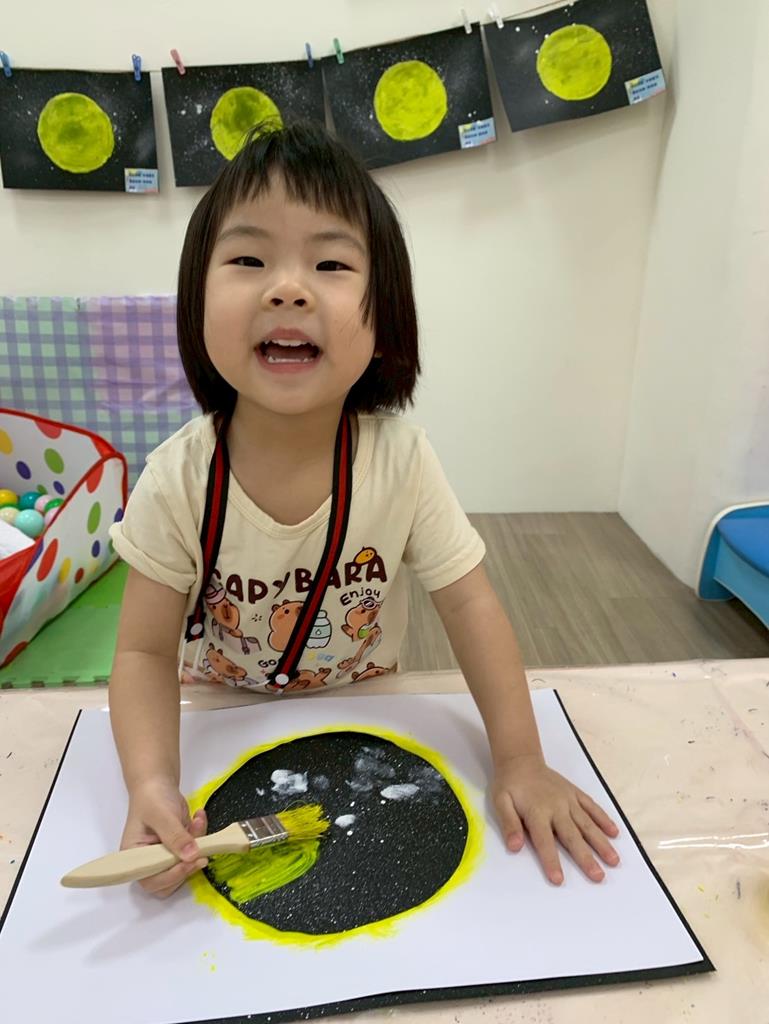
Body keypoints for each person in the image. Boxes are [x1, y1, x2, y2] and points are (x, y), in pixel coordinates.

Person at [109, 121, 619, 900]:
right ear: (195, 303)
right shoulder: (177, 478)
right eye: (248, 260)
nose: (287, 288)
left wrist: (519, 759)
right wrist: (151, 783)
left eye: (331, 264)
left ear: (385, 319)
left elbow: (471, 606)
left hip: (367, 714)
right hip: (219, 715)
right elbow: (144, 654)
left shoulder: (402, 462)